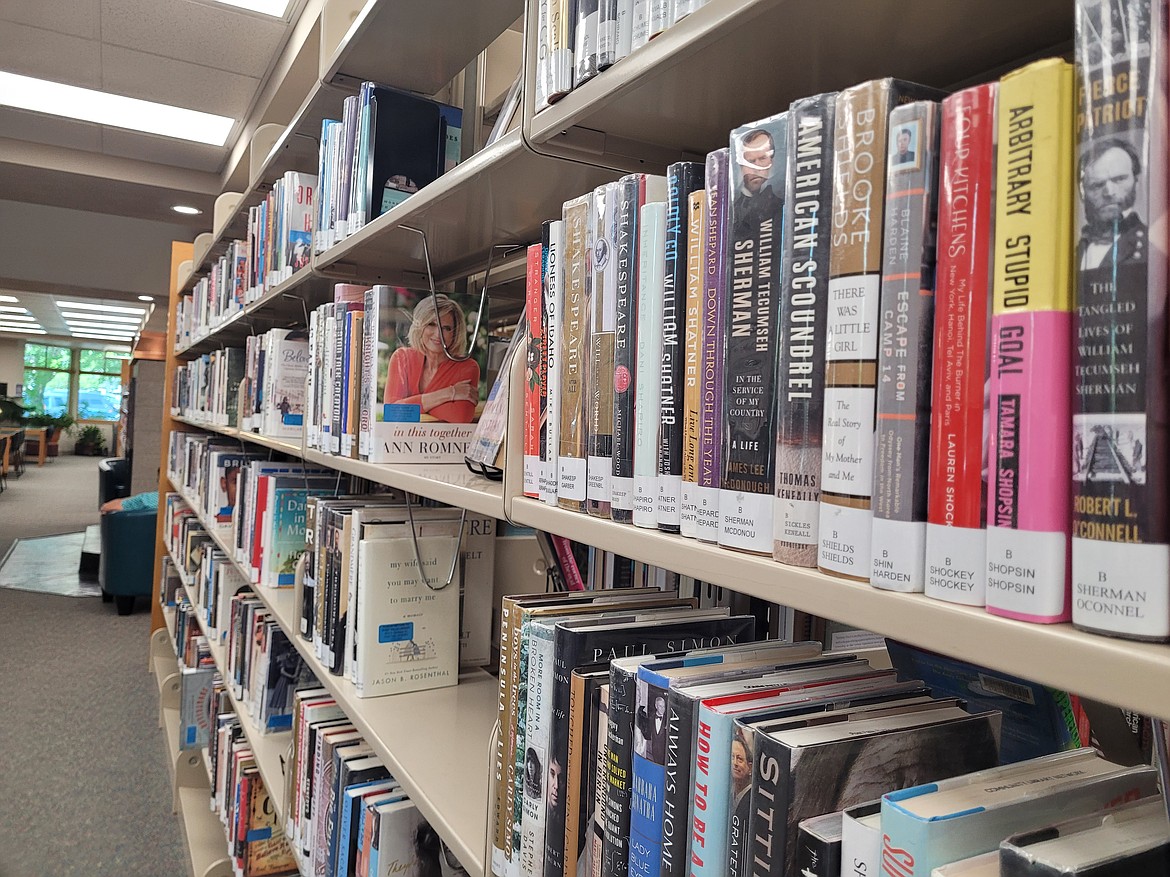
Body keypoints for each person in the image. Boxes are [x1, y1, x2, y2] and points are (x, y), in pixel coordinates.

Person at [383, 293, 480, 423]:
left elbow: (459, 418)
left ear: (455, 333)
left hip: (444, 443)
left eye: (446, 328)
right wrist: (450, 393)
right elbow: (391, 414)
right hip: (400, 443)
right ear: (420, 326)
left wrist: (410, 405)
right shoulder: (402, 358)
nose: (438, 334)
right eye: (431, 324)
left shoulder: (467, 367)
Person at [1078, 137, 1147, 270]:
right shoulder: (1076, 252)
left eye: (1119, 179)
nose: (1109, 192)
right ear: (1083, 193)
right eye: (1097, 185)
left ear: (1136, 183)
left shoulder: (1152, 246)